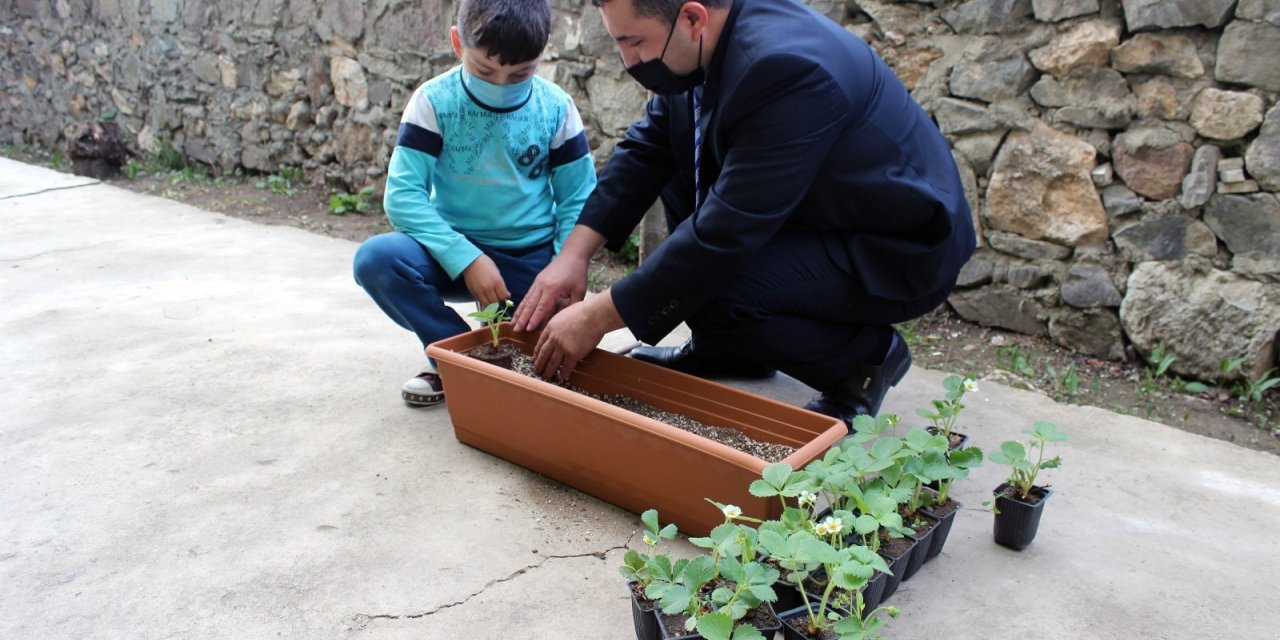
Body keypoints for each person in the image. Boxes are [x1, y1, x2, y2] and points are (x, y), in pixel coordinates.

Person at [512, 0, 976, 429]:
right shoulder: (704, 42)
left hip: (895, 245)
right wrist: (572, 256)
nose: (629, 62)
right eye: (620, 44)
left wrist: (596, 317)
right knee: (678, 165)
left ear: (693, 18)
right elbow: (647, 150)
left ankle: (864, 360)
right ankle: (731, 350)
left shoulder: (787, 69)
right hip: (817, 211)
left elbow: (721, 239)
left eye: (634, 42)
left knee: (711, 287)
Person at [353, 0, 596, 407]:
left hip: (531, 264)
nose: (501, 84)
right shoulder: (434, 101)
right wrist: (466, 258)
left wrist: (562, 267)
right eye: (484, 70)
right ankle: (454, 355)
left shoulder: (556, 107)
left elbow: (578, 197)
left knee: (551, 362)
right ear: (456, 42)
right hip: (450, 255)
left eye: (520, 73)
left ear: (543, 51)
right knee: (376, 260)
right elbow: (402, 196)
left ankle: (484, 354)